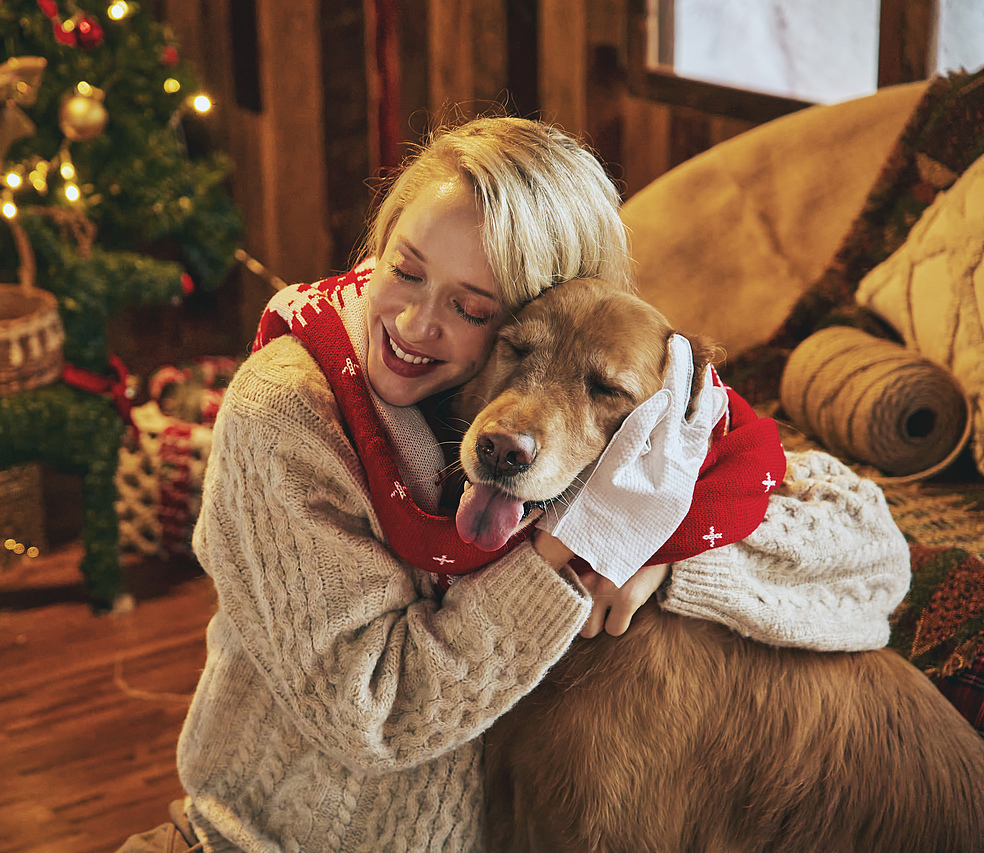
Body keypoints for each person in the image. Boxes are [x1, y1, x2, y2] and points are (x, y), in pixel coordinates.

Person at [117, 117, 910, 852]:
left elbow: (870, 545)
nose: (418, 323)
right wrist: (567, 557)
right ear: (380, 243)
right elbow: (375, 713)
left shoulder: (638, 416)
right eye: (405, 270)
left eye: (471, 306)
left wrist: (659, 548)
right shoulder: (288, 411)